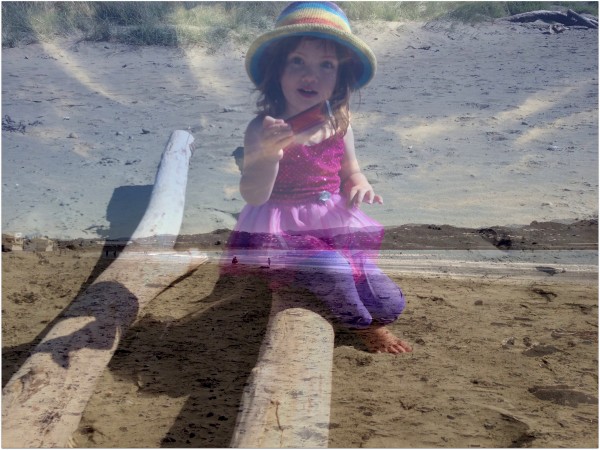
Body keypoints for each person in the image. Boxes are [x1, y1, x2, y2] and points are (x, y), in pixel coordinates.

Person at [224, 1, 411, 354]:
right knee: (331, 268)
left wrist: (359, 184)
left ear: (340, 77)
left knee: (386, 299)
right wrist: (268, 156)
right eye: (298, 61)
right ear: (277, 70)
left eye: (326, 65)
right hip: (280, 228)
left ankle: (371, 314)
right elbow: (253, 194)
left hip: (330, 220)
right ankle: (358, 326)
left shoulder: (338, 123)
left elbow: (350, 170)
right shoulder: (261, 130)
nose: (311, 76)